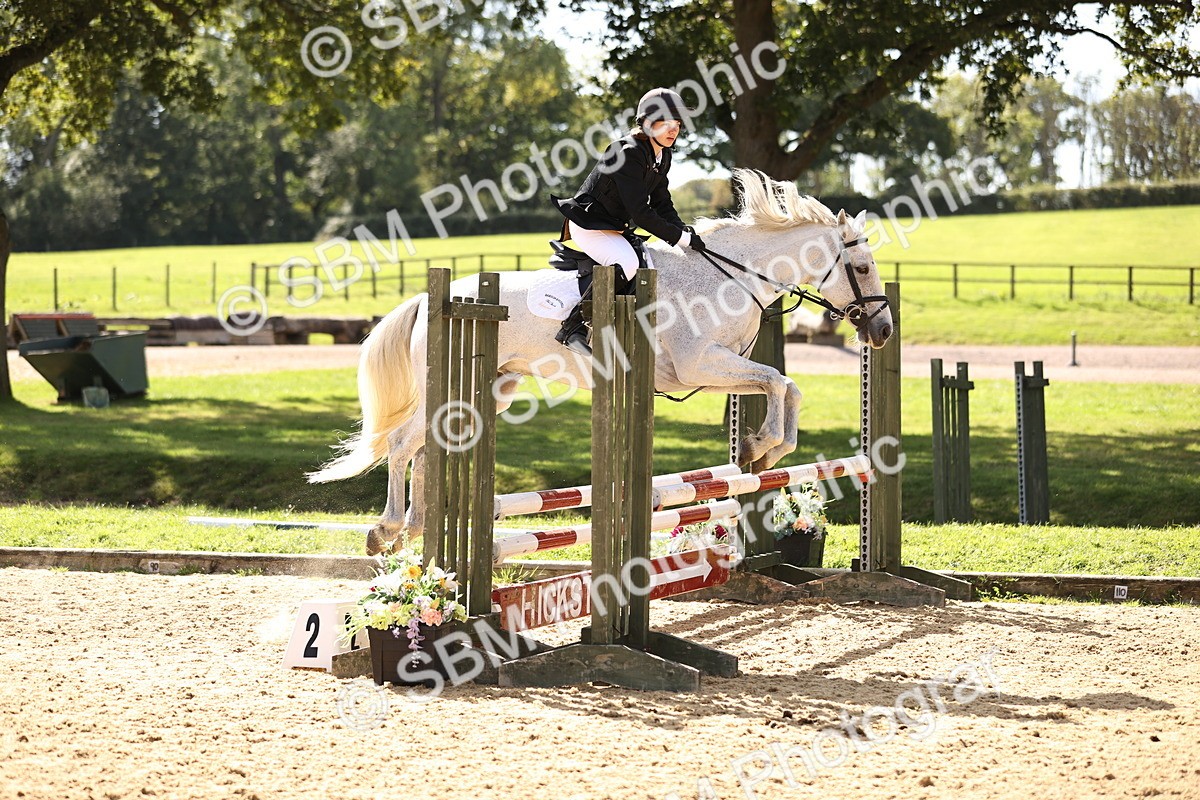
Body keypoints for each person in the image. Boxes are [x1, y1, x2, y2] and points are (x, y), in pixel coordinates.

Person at [550, 87, 707, 355]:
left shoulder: (662, 155)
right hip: (589, 224)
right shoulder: (627, 151)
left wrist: (684, 230)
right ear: (647, 123)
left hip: (613, 227)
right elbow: (641, 212)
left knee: (650, 262)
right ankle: (573, 328)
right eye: (666, 123)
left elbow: (662, 203)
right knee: (628, 263)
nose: (674, 130)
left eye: (678, 124)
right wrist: (680, 238)